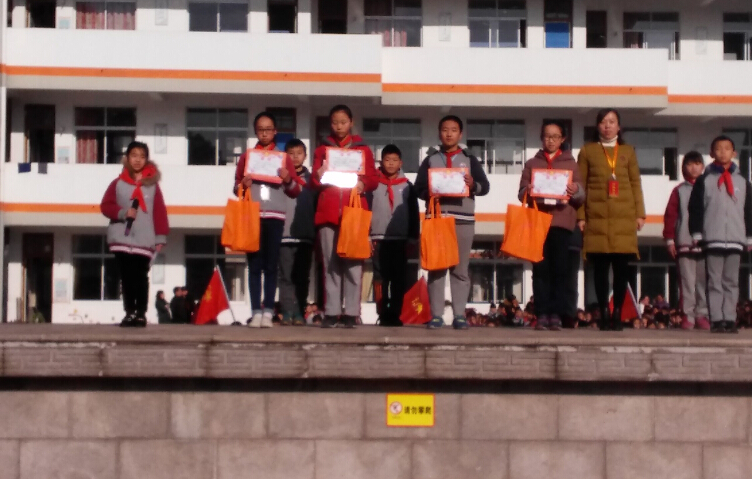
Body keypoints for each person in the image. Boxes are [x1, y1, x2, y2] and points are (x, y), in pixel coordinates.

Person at [414, 115, 490, 330]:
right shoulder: (430, 159)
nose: (449, 134)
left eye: (454, 130)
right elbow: (418, 188)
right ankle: (436, 315)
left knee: (460, 270)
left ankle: (459, 315)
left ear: (460, 134)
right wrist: (430, 191)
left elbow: (485, 187)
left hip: (463, 221)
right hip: (437, 220)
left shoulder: (470, 158)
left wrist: (473, 185)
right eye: (445, 130)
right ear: (439, 133)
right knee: (437, 269)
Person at [577, 108, 645, 331]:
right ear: (597, 126)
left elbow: (635, 184)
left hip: (624, 218)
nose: (607, 126)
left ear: (619, 127)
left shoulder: (628, 151)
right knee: (600, 270)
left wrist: (640, 214)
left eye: (612, 121)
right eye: (604, 122)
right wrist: (581, 216)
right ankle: (604, 313)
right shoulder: (587, 151)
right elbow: (580, 186)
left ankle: (618, 313)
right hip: (596, 218)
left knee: (622, 270)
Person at [310, 104, 378, 328]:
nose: (339, 126)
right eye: (335, 122)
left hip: (354, 212)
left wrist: (363, 184)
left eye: (343, 122)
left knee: (353, 264)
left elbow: (373, 178)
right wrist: (318, 175)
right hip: (328, 213)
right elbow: (313, 183)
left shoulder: (362, 150)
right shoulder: (322, 149)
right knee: (330, 264)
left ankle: (351, 312)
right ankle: (331, 312)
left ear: (351, 122)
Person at [235, 111, 302, 328]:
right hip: (252, 215)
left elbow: (295, 190)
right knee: (254, 265)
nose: (264, 133)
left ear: (275, 131)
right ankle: (255, 310)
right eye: (260, 130)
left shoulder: (283, 158)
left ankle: (268, 311)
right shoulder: (247, 157)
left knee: (271, 266)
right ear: (256, 131)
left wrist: (288, 178)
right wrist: (242, 185)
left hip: (275, 216)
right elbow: (236, 188)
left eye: (268, 129)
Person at [518, 120, 585, 331]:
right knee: (540, 270)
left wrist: (576, 190)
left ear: (562, 139)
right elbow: (521, 193)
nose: (551, 140)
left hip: (562, 222)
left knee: (560, 270)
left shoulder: (571, 164)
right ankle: (542, 313)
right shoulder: (532, 163)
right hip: (538, 221)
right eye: (547, 136)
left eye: (555, 136)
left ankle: (556, 314)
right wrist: (529, 189)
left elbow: (582, 196)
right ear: (541, 138)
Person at [100, 141, 169, 327]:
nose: (138, 160)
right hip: (121, 238)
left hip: (144, 239)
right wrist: (123, 213)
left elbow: (159, 212)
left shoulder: (153, 186)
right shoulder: (118, 183)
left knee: (141, 276)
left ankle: (141, 313)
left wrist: (160, 237)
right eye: (134, 155)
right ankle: (129, 312)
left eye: (142, 156)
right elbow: (105, 206)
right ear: (127, 158)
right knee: (126, 277)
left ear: (147, 160)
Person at [689, 135, 752, 334]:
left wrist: (749, 236)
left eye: (727, 149)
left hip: (735, 237)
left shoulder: (743, 181)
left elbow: (749, 210)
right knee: (714, 280)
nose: (723, 152)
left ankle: (730, 318)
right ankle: (716, 318)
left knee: (732, 281)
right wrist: (697, 232)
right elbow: (696, 208)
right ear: (711, 153)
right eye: (718, 149)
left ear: (734, 153)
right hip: (713, 237)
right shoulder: (704, 180)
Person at [367, 144, 419, 327]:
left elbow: (414, 213)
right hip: (378, 238)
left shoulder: (407, 186)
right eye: (387, 160)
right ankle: (382, 313)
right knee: (380, 277)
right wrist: (367, 235)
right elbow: (366, 210)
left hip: (400, 239)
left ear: (400, 163)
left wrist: (413, 238)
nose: (390, 163)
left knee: (398, 279)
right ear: (381, 162)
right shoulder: (372, 185)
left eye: (394, 160)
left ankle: (396, 313)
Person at [663, 151, 710, 330]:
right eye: (689, 164)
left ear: (703, 166)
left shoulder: (709, 188)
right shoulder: (679, 191)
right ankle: (688, 315)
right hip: (684, 241)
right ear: (683, 168)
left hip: (705, 242)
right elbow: (671, 216)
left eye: (697, 164)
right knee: (686, 282)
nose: (694, 168)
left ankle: (702, 314)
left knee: (703, 282)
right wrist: (669, 240)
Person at [278, 138, 316, 326]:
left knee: (302, 277)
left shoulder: (312, 180)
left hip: (305, 236)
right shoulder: (279, 178)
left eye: (299, 153)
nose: (295, 157)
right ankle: (286, 312)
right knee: (286, 276)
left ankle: (299, 311)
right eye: (291, 154)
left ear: (305, 156)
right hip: (283, 235)